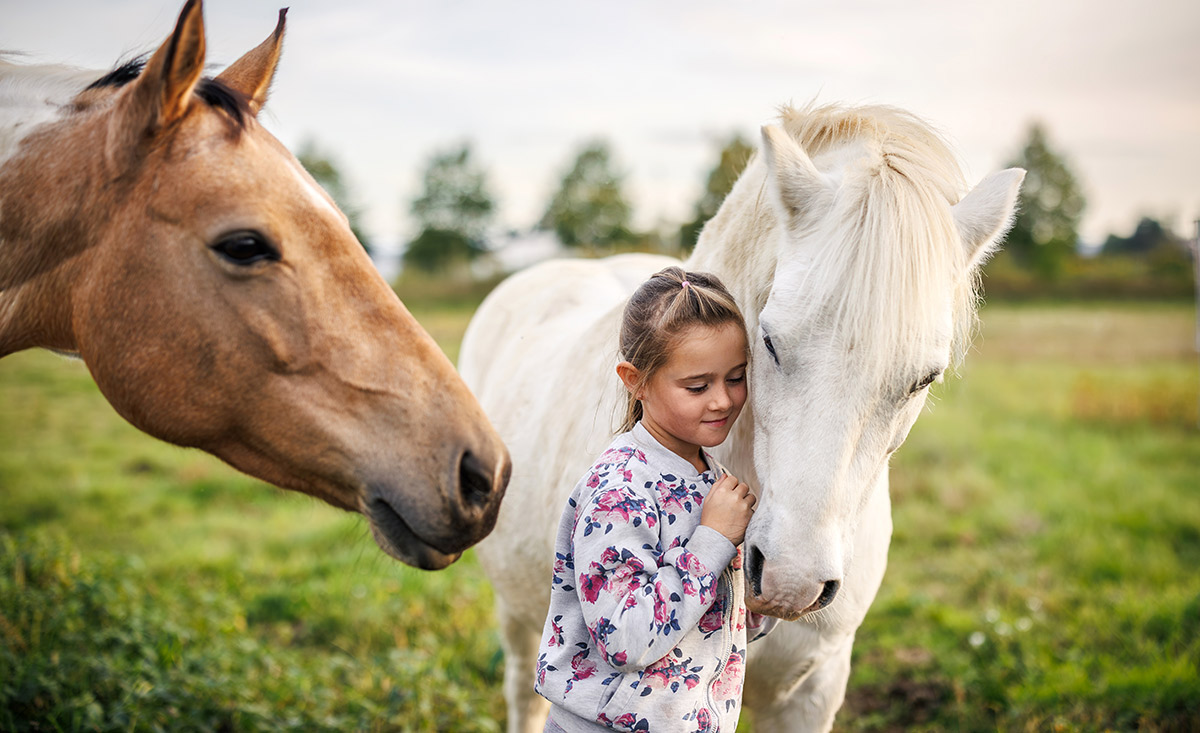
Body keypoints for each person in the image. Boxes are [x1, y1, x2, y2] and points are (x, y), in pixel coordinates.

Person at [535, 266, 778, 733]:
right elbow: (626, 640)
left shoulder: (714, 479)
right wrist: (711, 542)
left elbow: (705, 627)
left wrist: (759, 598)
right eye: (697, 386)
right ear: (636, 380)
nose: (723, 400)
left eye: (736, 377)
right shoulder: (619, 491)